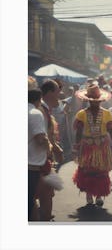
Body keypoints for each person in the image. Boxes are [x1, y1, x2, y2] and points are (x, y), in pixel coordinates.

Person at [72, 84, 112, 206]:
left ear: (100, 101)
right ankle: (88, 194)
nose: (95, 103)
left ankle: (99, 196)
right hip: (87, 146)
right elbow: (79, 131)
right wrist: (76, 146)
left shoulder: (107, 113)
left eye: (97, 101)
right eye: (92, 101)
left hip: (102, 146)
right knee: (87, 171)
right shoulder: (82, 114)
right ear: (88, 101)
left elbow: (111, 130)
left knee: (101, 171)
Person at [36, 79, 64, 221]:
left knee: (45, 193)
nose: (60, 95)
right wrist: (54, 149)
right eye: (58, 92)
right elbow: (42, 137)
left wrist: (55, 147)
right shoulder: (40, 110)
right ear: (50, 93)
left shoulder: (44, 109)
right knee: (45, 194)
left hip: (43, 158)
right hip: (39, 159)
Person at [28, 88, 50, 221]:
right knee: (28, 200)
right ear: (38, 100)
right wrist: (50, 149)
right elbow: (40, 138)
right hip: (31, 164)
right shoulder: (35, 113)